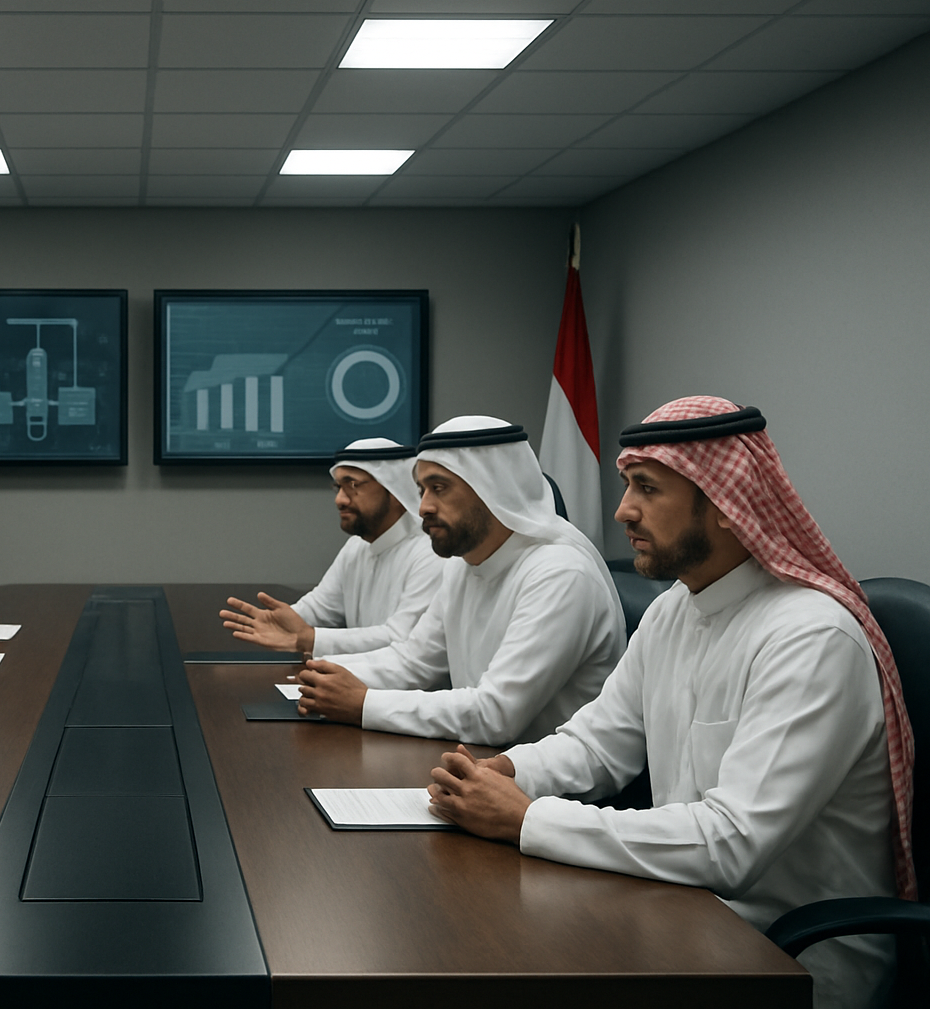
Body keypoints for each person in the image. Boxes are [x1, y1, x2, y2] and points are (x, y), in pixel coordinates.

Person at [426, 398, 913, 1009]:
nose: (622, 510)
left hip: (789, 958)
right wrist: (509, 772)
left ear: (729, 508)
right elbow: (597, 742)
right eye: (628, 485)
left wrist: (527, 818)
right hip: (681, 907)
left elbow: (732, 843)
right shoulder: (674, 610)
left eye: (647, 489)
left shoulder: (810, 638)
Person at [296, 416, 625, 746]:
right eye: (422, 490)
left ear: (492, 488)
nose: (423, 507)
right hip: (479, 765)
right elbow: (415, 662)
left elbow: (495, 714)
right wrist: (319, 676)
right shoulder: (462, 563)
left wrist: (363, 703)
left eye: (439, 489)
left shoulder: (559, 573)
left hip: (547, 788)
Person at [219, 437, 442, 657]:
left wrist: (311, 639)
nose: (340, 500)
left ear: (395, 490)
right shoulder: (357, 546)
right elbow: (320, 607)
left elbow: (402, 638)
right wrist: (279, 621)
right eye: (338, 487)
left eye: (352, 485)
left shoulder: (431, 553)